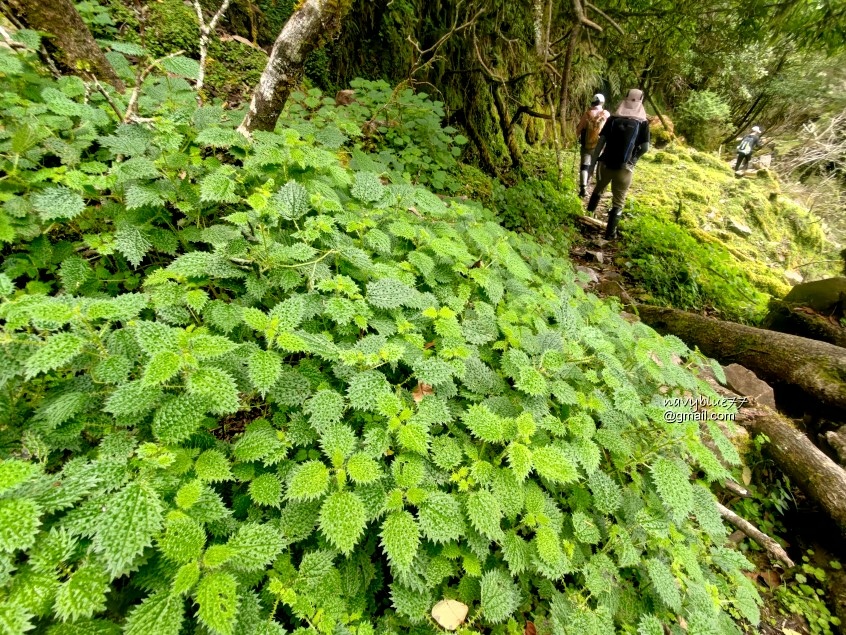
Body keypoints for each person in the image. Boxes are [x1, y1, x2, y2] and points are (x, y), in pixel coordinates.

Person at [586, 89, 651, 240]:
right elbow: (645, 148)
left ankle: (588, 216)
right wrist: (633, 161)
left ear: (625, 98)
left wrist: (593, 164)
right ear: (641, 101)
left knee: (598, 189)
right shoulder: (643, 123)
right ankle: (610, 234)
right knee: (619, 200)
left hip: (605, 165)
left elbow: (600, 143)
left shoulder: (613, 119)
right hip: (625, 169)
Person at [575, 93, 611, 197]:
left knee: (584, 166)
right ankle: (599, 189)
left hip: (587, 144)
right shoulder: (606, 114)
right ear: (602, 102)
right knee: (597, 165)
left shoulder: (587, 114)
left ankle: (583, 188)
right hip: (601, 145)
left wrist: (574, 138)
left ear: (593, 102)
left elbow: (579, 129)